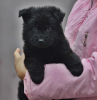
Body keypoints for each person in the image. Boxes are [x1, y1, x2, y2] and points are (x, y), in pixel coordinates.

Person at [14, 0, 97, 100]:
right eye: (35, 29)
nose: (41, 38)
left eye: (48, 28)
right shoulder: (83, 4)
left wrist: (27, 76)